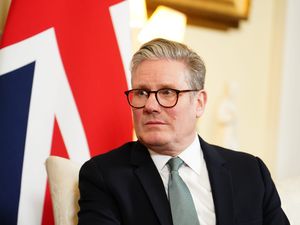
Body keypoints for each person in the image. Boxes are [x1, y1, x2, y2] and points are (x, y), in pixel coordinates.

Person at [77, 38, 289, 225]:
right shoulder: (103, 175)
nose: (150, 106)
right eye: (141, 92)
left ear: (199, 102)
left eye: (167, 92)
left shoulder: (250, 172)